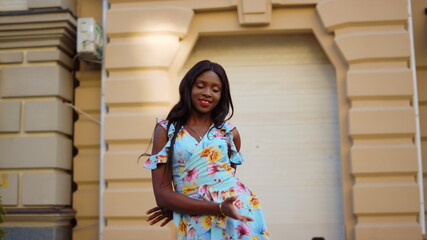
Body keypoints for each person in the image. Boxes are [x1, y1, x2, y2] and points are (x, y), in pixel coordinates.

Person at [142, 60, 269, 239]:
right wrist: (214, 208)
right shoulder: (166, 130)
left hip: (240, 213)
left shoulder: (228, 132)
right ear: (188, 88)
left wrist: (185, 206)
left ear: (222, 95)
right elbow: (162, 195)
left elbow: (223, 183)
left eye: (215, 90)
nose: (207, 93)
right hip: (201, 218)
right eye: (200, 86)